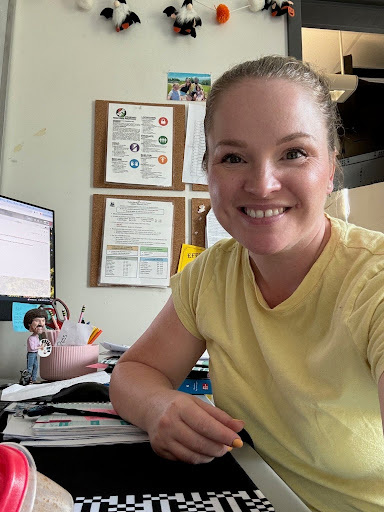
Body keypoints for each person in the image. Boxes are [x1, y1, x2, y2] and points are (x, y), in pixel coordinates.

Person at [110, 55, 384, 512]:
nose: (261, 184)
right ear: (209, 171)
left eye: (294, 153)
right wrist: (160, 408)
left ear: (332, 167)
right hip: (251, 495)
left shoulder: (373, 280)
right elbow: (134, 373)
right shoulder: (210, 274)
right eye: (233, 157)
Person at [24, 308, 48, 383]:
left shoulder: (37, 337)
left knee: (36, 366)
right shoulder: (31, 338)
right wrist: (40, 347)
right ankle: (27, 380)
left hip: (35, 354)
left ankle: (33, 379)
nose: (41, 323)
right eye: (37, 321)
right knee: (30, 367)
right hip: (31, 354)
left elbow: (37, 345)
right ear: (29, 324)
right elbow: (32, 348)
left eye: (43, 321)